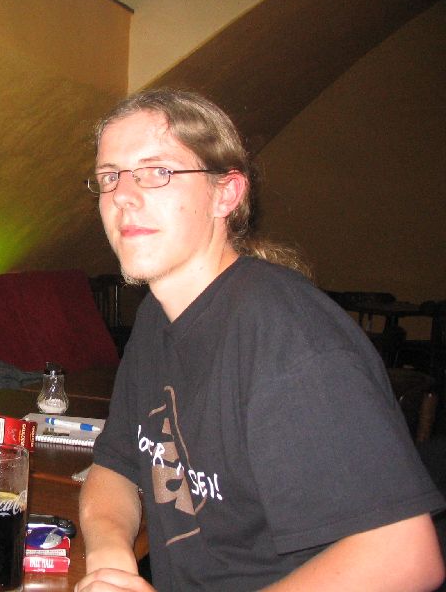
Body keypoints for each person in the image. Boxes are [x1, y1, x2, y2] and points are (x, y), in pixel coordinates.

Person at [76, 89, 445, 591]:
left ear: (225, 194)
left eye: (157, 171)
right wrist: (112, 564)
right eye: (110, 176)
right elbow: (115, 467)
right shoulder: (155, 319)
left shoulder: (287, 333)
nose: (122, 195)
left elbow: (404, 555)